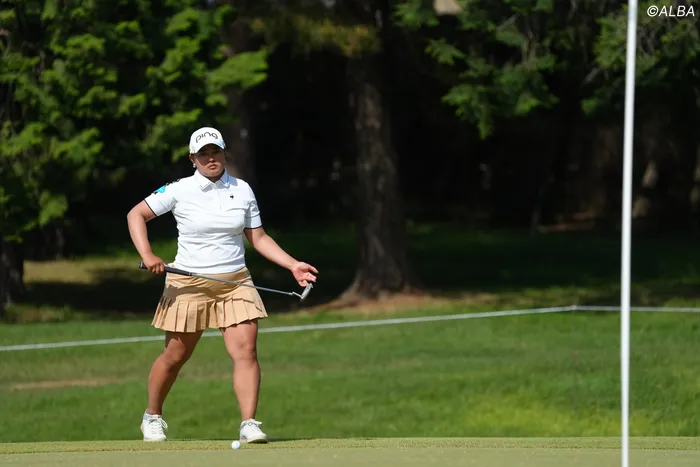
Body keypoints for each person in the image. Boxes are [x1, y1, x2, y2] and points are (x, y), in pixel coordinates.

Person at [126, 126, 318, 444]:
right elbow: (136, 214)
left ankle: (248, 423)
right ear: (193, 159)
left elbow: (258, 237)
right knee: (175, 356)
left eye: (215, 151)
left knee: (246, 352)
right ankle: (152, 416)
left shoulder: (242, 190)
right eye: (203, 154)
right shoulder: (179, 190)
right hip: (189, 282)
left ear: (224, 153)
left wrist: (292, 264)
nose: (210, 158)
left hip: (235, 282)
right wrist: (147, 254)